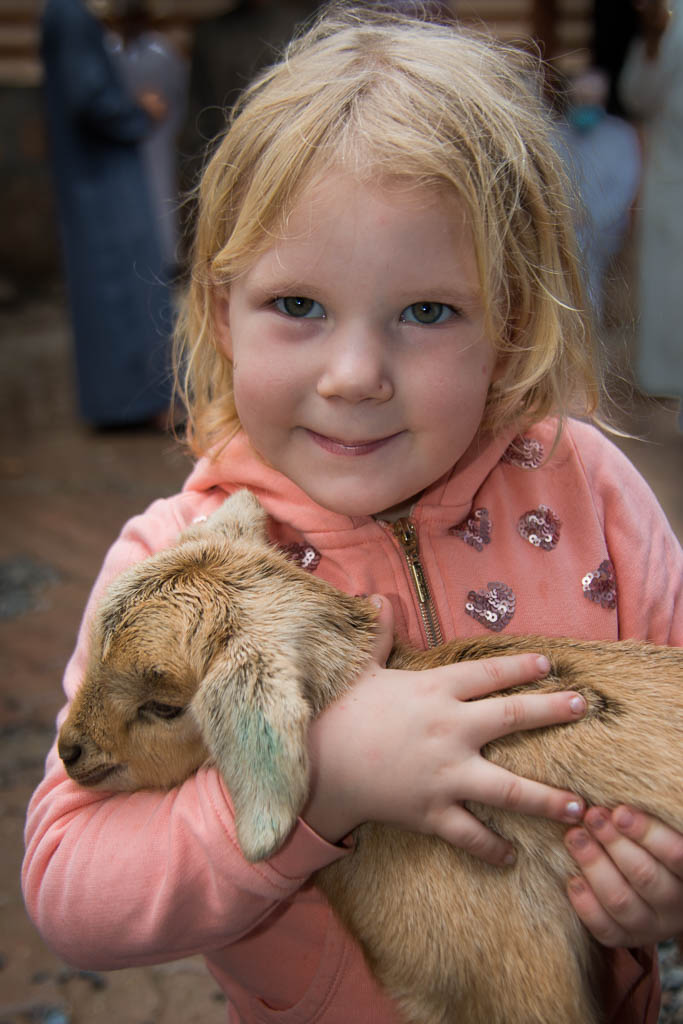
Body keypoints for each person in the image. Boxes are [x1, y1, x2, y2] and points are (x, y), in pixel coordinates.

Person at [23, 6, 683, 1022]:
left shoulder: (586, 488)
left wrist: (662, 892)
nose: (354, 375)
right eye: (297, 306)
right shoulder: (170, 565)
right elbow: (71, 890)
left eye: (426, 312)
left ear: (507, 327)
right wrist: (320, 780)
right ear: (217, 311)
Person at [40, 0, 174, 428]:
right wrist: (138, 112)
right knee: (127, 284)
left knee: (112, 288)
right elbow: (89, 97)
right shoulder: (71, 14)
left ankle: (124, 403)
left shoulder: (65, 14)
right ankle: (138, 403)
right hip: (100, 177)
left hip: (90, 174)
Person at [619, 0, 683, 426]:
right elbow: (635, 93)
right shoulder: (667, 19)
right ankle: (665, 373)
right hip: (670, 172)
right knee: (667, 279)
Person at [108, 0, 188, 275]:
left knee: (159, 195)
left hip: (157, 138)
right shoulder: (110, 51)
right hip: (119, 140)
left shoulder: (162, 53)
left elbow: (177, 96)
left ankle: (164, 260)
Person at [557, 67, 641, 321]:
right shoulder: (556, 133)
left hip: (605, 229)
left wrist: (591, 216)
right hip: (563, 225)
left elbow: (625, 188)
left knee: (582, 256)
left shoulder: (621, 137)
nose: (583, 105)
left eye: (589, 100)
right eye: (578, 99)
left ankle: (587, 325)